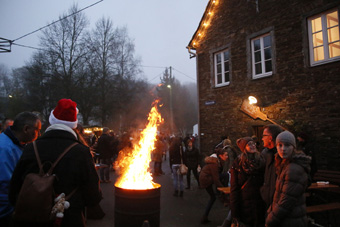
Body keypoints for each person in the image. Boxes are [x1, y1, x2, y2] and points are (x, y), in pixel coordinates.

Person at [9, 99, 102, 227]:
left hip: (32, 219)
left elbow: (14, 190)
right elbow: (93, 197)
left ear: (51, 121)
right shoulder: (81, 152)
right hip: (68, 220)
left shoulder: (31, 148)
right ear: (73, 125)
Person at [0, 112, 41, 226]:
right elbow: (6, 185)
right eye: (37, 130)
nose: (38, 134)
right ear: (26, 129)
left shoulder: (17, 145)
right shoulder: (5, 148)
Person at [266, 131, 311, 227]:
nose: (283, 149)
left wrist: (270, 220)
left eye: (287, 145)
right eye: (280, 145)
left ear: (293, 147)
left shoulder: (293, 169)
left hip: (290, 220)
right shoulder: (284, 164)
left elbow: (285, 202)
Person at [229, 137, 266, 227]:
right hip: (245, 203)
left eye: (253, 143)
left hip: (260, 201)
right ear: (244, 148)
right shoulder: (238, 163)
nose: (253, 146)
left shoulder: (262, 160)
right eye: (249, 144)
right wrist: (235, 212)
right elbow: (234, 188)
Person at [199, 148, 228, 224]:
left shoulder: (218, 161)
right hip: (206, 180)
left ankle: (204, 217)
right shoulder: (214, 164)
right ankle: (224, 197)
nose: (227, 156)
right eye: (226, 155)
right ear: (220, 156)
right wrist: (223, 189)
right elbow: (216, 179)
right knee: (226, 175)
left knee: (212, 198)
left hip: (206, 179)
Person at [260, 124, 283, 209]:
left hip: (279, 200)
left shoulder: (282, 155)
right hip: (267, 199)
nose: (262, 139)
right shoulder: (264, 153)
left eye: (264, 136)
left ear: (270, 138)